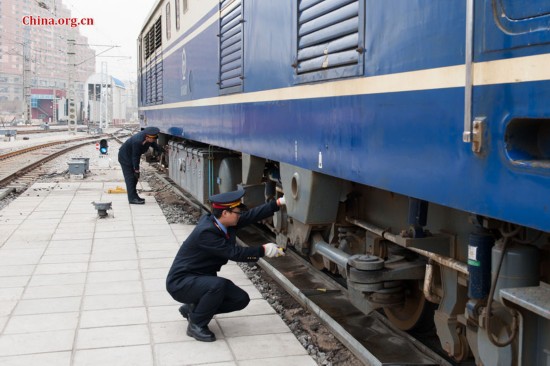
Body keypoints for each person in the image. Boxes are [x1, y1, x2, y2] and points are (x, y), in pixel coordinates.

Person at [166, 189, 286, 342]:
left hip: (199, 278)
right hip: (181, 283)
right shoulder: (207, 232)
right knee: (217, 286)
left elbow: (251, 216)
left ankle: (194, 309)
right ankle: (196, 324)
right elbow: (234, 253)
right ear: (225, 213)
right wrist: (263, 250)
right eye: (237, 212)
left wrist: (278, 203)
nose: (240, 215)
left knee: (240, 299)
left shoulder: (221, 223)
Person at [118, 126, 163, 204]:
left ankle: (134, 196)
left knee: (135, 178)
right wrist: (136, 170)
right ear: (147, 137)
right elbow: (135, 156)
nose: (153, 140)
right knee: (131, 178)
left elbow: (153, 144)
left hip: (131, 156)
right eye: (152, 139)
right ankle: (132, 199)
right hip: (125, 157)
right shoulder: (138, 141)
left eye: (154, 139)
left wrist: (161, 150)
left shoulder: (148, 138)